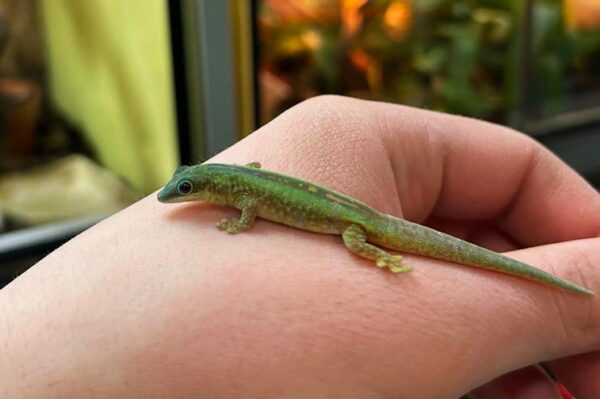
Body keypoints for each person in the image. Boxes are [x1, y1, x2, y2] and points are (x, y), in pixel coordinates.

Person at [1, 96, 598, 398]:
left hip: (358, 227)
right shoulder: (233, 182)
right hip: (360, 212)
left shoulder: (238, 196)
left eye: (183, 189)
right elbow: (257, 178)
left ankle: (385, 255)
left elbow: (252, 203)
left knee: (361, 238)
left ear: (207, 185)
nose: (173, 198)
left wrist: (379, 256)